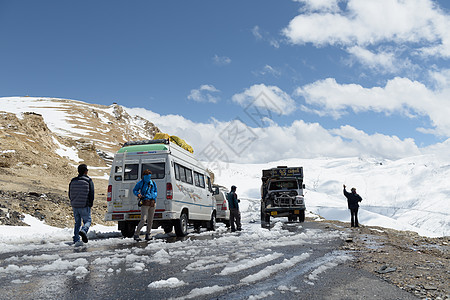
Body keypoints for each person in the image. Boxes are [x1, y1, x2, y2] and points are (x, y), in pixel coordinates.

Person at [69, 164, 94, 244]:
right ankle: (84, 230)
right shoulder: (88, 181)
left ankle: (76, 239)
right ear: (85, 171)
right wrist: (90, 203)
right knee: (88, 220)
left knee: (77, 223)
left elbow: (70, 193)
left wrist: (73, 201)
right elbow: (91, 193)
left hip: (75, 205)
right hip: (84, 205)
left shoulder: (73, 181)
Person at [133, 169, 158, 241]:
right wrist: (138, 194)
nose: (148, 178)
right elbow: (135, 190)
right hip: (145, 203)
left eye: (149, 176)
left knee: (150, 220)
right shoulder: (141, 183)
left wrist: (154, 196)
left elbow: (155, 191)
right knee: (143, 220)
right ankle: (136, 234)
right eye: (147, 176)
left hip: (152, 203)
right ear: (144, 176)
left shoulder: (153, 183)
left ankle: (148, 234)